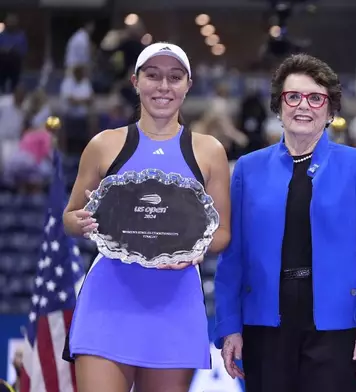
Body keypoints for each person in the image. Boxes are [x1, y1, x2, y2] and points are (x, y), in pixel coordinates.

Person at [61, 42, 231, 392]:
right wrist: (80, 223)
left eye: (174, 77)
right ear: (135, 81)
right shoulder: (104, 144)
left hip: (176, 302)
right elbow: (70, 217)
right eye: (152, 76)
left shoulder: (209, 150)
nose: (163, 87)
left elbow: (223, 233)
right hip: (108, 301)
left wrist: (197, 249)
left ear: (188, 84)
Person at [214, 53, 356, 392]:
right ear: (278, 107)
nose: (303, 106)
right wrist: (230, 326)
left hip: (340, 326)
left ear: (330, 109)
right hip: (264, 324)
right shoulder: (247, 169)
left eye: (315, 98)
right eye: (292, 97)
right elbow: (233, 257)